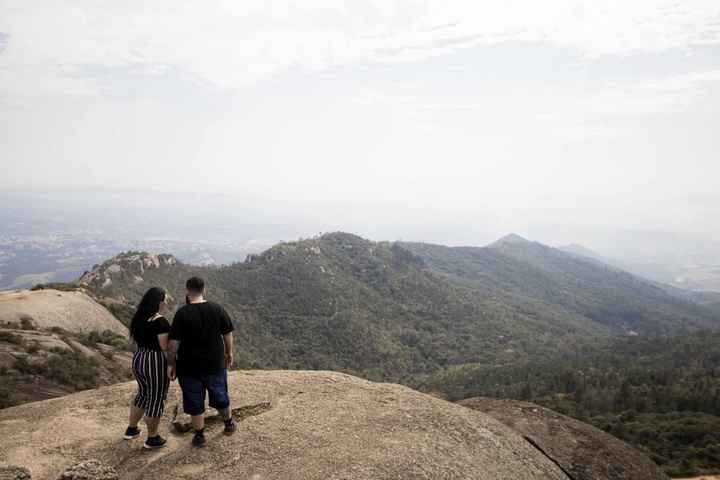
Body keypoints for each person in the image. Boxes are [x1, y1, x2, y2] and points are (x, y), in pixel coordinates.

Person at [167, 276, 237, 447]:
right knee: (220, 394)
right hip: (214, 364)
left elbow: (173, 344)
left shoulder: (182, 313)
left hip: (189, 367)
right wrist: (229, 352)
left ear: (187, 291)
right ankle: (228, 424)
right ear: (203, 289)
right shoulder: (217, 308)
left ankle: (199, 436)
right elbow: (227, 333)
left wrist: (171, 364)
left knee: (194, 400)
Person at [124, 287, 171, 449]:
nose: (166, 302)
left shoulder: (139, 318)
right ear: (159, 302)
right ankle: (152, 437)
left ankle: (131, 429)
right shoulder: (160, 321)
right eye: (165, 299)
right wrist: (171, 365)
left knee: (143, 394)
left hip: (139, 359)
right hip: (155, 361)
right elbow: (164, 348)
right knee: (156, 398)